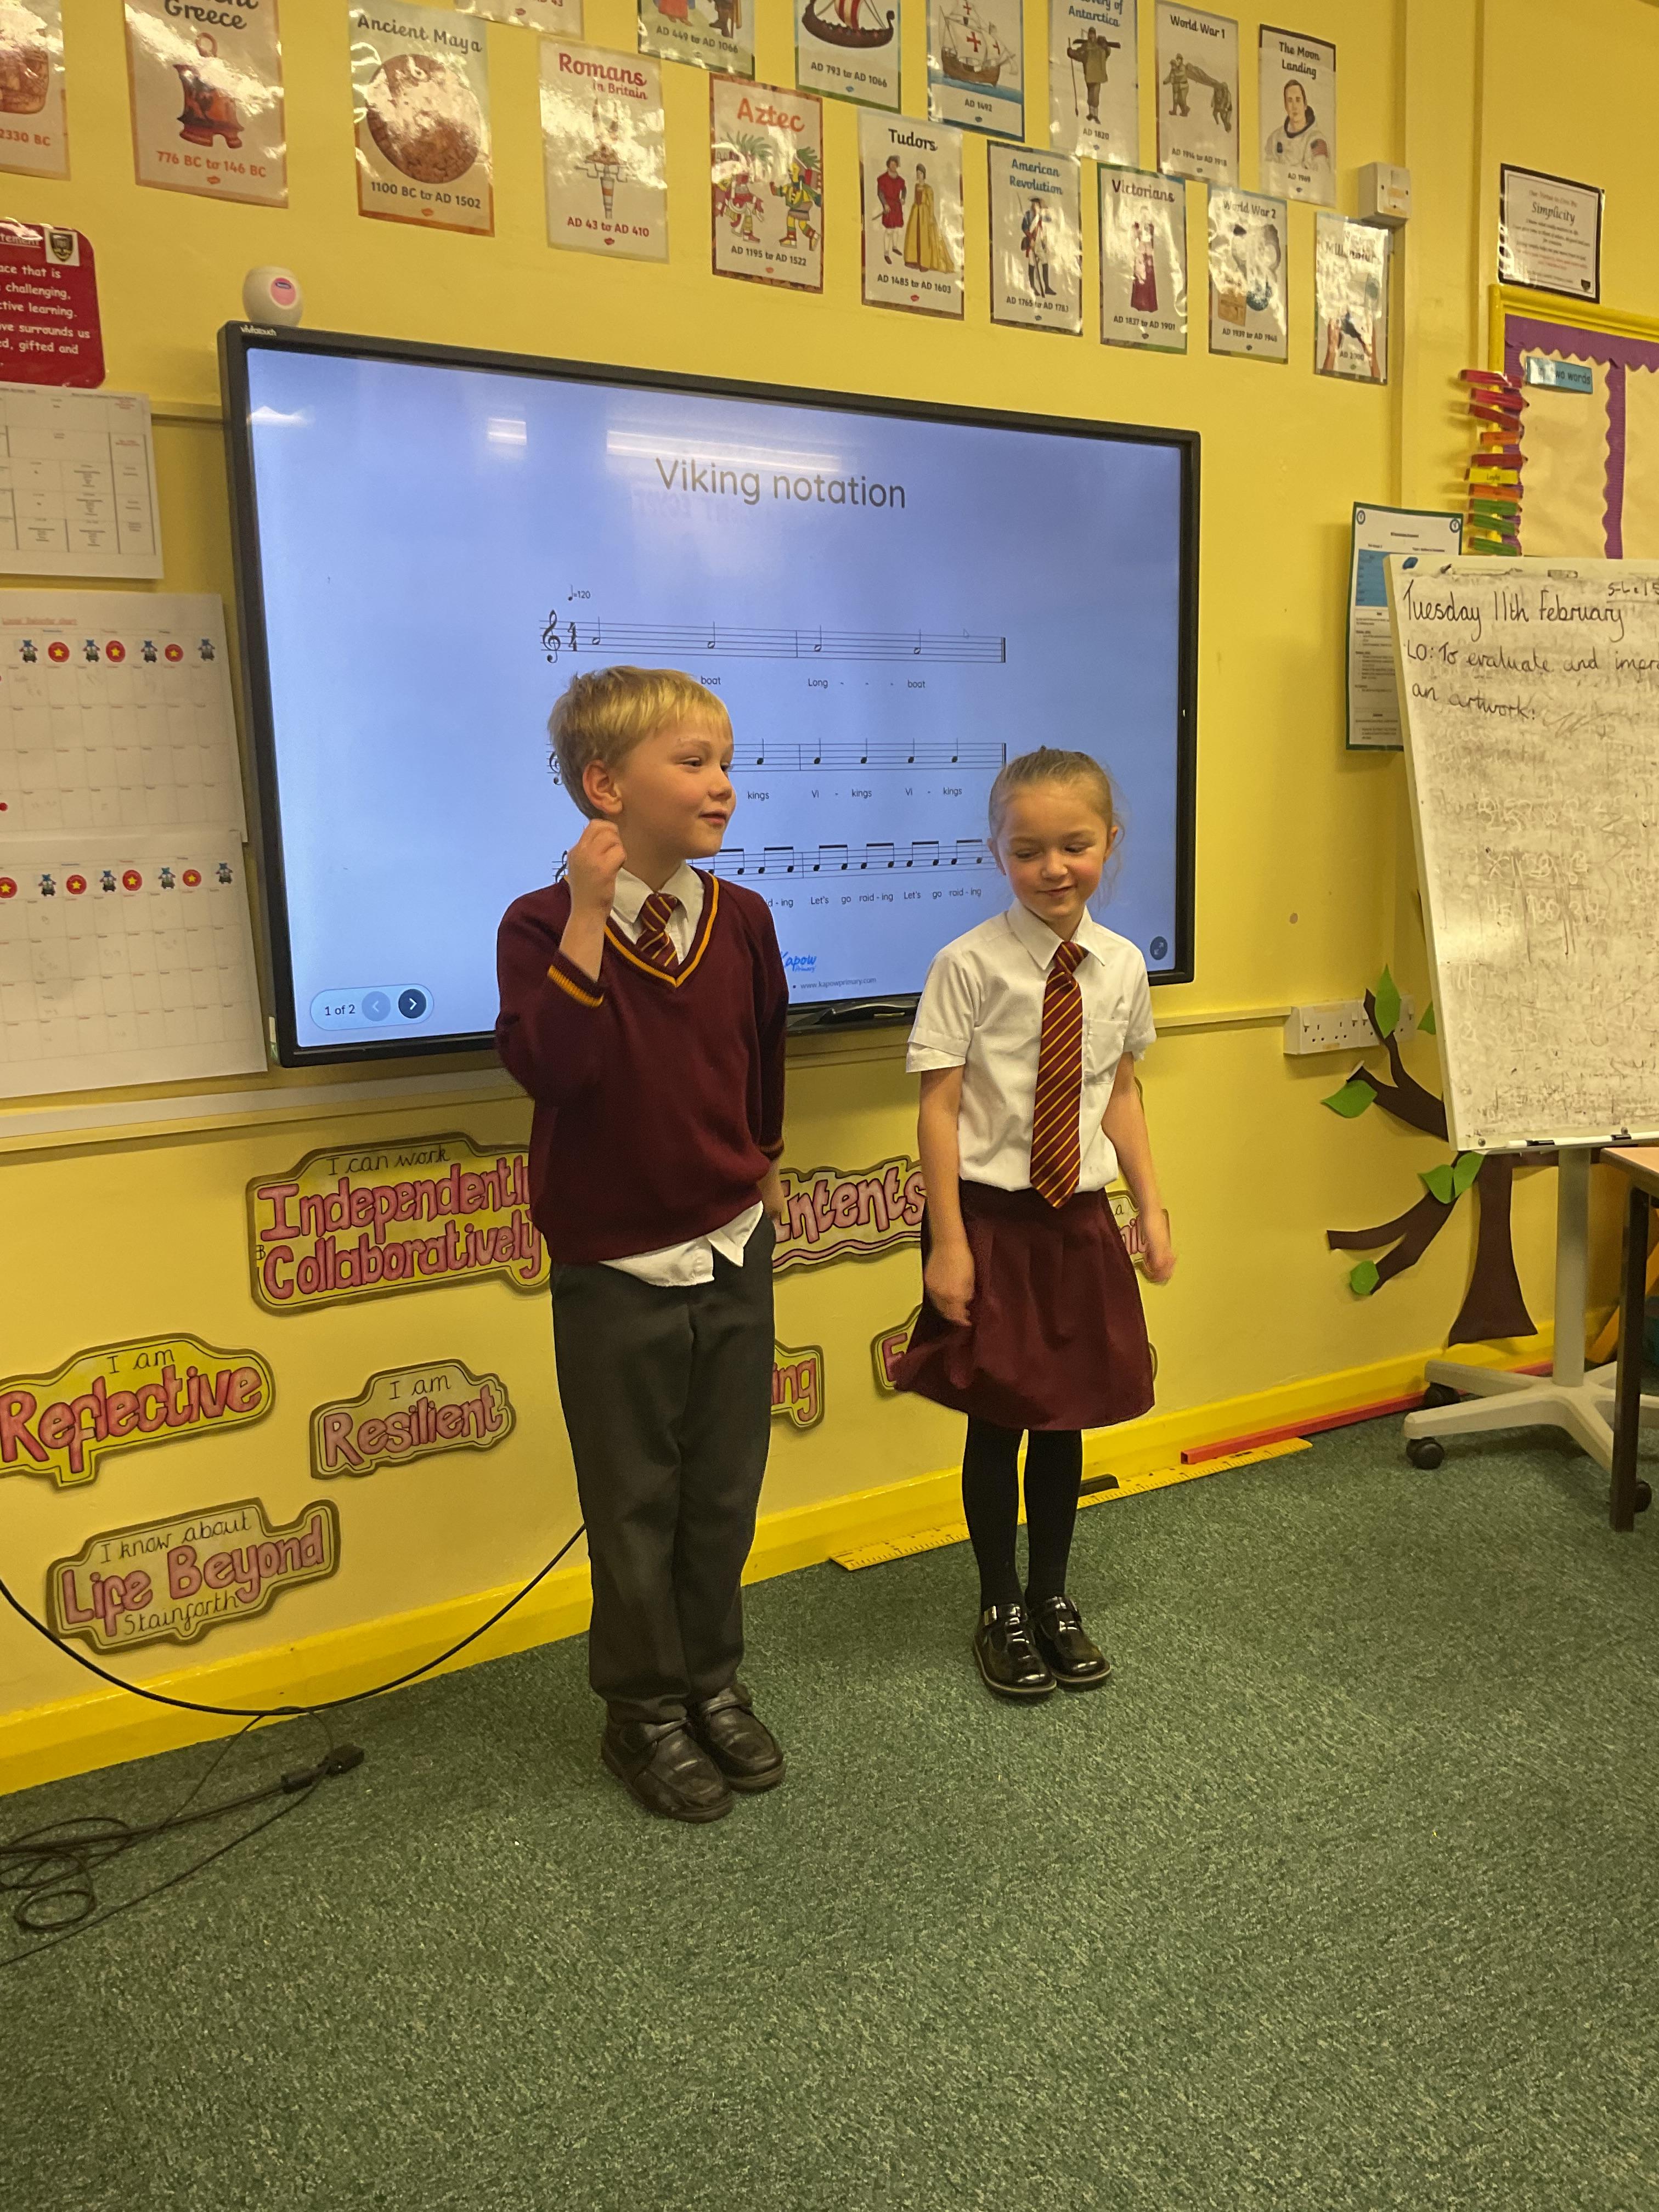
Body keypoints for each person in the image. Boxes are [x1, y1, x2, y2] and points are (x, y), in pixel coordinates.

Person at [495, 667, 789, 1825]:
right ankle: (643, 1709)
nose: (722, 785)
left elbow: (764, 1060)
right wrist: (585, 914)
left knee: (722, 1490)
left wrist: (757, 1166)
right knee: (632, 1504)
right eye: (694, 762)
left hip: (732, 1247)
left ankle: (711, 1681)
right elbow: (555, 1070)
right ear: (604, 785)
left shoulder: (743, 919)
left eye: (727, 763)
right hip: (613, 1268)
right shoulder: (538, 925)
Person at [894, 748, 1175, 1700]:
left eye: (1074, 845)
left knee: (1065, 1416)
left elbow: (1120, 1093)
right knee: (998, 1416)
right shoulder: (967, 964)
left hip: (1076, 1221)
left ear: (1109, 843)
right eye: (1027, 850)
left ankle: (1053, 1596)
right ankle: (998, 1605)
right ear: (997, 852)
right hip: (990, 1221)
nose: (1053, 867)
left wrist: (1149, 1208)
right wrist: (948, 1243)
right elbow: (938, 1110)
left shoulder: (1121, 966)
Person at [1263, 75, 1331, 200]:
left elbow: (1322, 180)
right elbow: (1267, 177)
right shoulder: (1275, 138)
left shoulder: (1317, 140)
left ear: (1305, 105)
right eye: (1290, 101)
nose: (1294, 106)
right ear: (1285, 105)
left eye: (1298, 100)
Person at [904, 162, 956, 274]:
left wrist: (931, 217)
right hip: (916, 213)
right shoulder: (916, 186)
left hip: (925, 214)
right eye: (918, 173)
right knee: (915, 236)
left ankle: (925, 262)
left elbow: (931, 203)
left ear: (924, 175)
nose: (919, 175)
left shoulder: (928, 189)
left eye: (921, 173)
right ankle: (914, 260)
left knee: (925, 238)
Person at [1065, 27, 1120, 126]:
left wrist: (1105, 45)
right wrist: (1071, 53)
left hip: (1098, 76)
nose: (1091, 36)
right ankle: (1091, 114)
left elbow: (1108, 52)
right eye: (1090, 34)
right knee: (1091, 95)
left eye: (1093, 34)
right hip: (1089, 75)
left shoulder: (1101, 46)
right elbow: (1079, 55)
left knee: (1095, 96)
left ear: (1095, 35)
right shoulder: (1086, 46)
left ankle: (1096, 115)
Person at [876, 153, 907, 263]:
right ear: (888, 165)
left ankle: (895, 247)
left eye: (895, 164)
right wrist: (885, 204)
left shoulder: (900, 180)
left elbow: (904, 189)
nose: (893, 166)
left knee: (896, 229)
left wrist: (903, 198)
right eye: (892, 164)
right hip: (888, 206)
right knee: (889, 230)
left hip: (897, 207)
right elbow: (880, 193)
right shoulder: (883, 179)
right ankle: (886, 253)